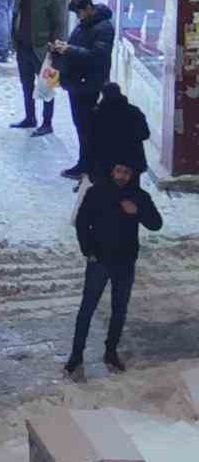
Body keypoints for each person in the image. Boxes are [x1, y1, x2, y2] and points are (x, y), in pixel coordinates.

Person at [65, 158, 162, 375]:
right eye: (118, 170)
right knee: (87, 309)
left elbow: (156, 224)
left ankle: (111, 352)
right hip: (99, 260)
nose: (121, 176)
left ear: (132, 175)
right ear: (112, 171)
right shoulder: (97, 192)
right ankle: (76, 355)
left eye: (126, 172)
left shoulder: (139, 197)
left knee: (119, 309)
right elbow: (82, 222)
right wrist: (88, 250)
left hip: (125, 262)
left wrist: (137, 211)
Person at [51, 0, 115, 181]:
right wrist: (63, 47)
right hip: (78, 81)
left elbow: (98, 55)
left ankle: (87, 165)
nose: (78, 17)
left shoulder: (103, 27)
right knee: (81, 124)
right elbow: (79, 45)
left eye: (79, 13)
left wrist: (69, 50)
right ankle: (86, 163)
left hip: (88, 83)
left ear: (88, 8)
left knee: (85, 125)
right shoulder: (87, 23)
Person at [9, 0, 66, 138]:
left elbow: (59, 24)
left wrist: (55, 46)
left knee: (48, 87)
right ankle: (30, 117)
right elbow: (15, 17)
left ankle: (47, 123)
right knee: (26, 85)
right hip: (23, 47)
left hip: (44, 49)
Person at [86, 82, 151, 186]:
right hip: (131, 164)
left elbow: (90, 142)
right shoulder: (134, 111)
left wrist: (90, 167)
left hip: (105, 165)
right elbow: (145, 134)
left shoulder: (97, 114)